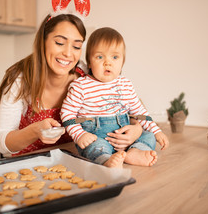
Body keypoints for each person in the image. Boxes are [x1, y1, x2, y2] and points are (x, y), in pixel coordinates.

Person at [0, 15, 145, 157]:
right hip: (30, 164)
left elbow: (130, 100)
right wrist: (34, 131)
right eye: (59, 43)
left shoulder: (85, 73)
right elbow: (2, 143)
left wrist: (137, 128)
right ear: (43, 41)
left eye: (76, 46)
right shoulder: (20, 80)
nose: (68, 53)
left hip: (75, 158)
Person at [60, 27, 169, 168]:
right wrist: (79, 134)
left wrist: (157, 131)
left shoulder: (125, 84)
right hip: (98, 138)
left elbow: (140, 112)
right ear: (89, 62)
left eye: (115, 57)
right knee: (93, 147)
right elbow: (67, 113)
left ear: (122, 61)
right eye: (100, 57)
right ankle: (106, 160)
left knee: (148, 136)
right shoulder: (81, 86)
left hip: (126, 139)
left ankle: (134, 153)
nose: (107, 62)